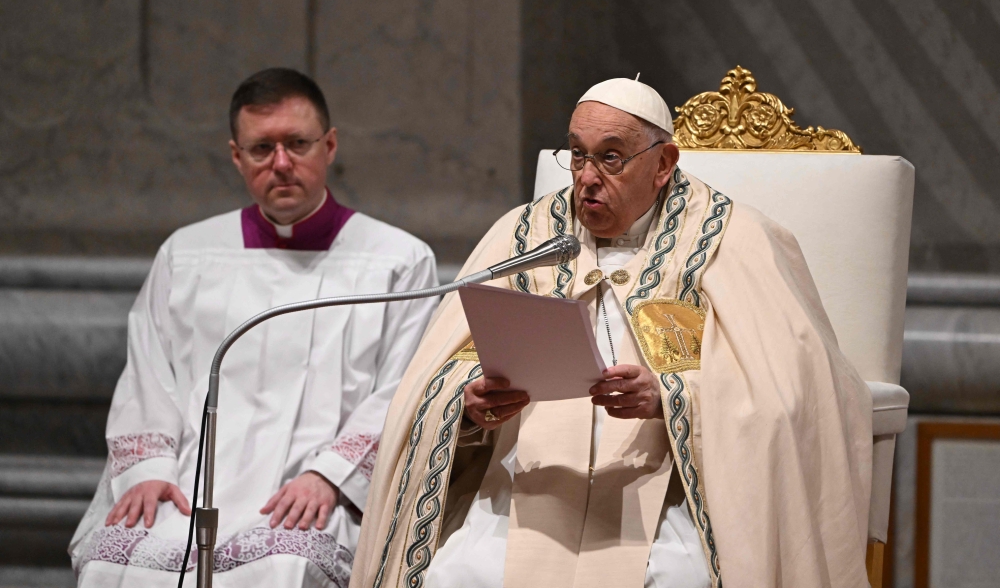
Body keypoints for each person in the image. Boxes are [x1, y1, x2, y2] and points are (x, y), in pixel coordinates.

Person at [349, 78, 873, 588]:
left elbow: (795, 394)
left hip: (671, 493)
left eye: (611, 157)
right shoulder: (524, 235)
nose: (586, 178)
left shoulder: (731, 241)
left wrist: (670, 397)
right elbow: (438, 375)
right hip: (527, 488)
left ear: (663, 164)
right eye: (577, 155)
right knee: (461, 575)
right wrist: (469, 405)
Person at [70, 68, 439, 588]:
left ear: (329, 146)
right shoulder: (188, 253)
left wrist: (331, 476)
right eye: (262, 148)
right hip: (190, 484)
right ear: (236, 156)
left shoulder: (397, 261)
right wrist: (149, 470)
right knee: (113, 565)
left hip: (311, 491)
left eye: (298, 143)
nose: (282, 164)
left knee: (287, 567)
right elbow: (148, 373)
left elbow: (404, 389)